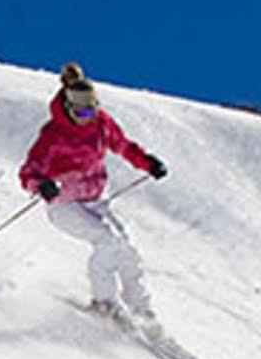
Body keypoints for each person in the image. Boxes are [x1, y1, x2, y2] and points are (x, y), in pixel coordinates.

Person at [18, 62, 169, 322]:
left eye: (91, 110)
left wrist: (148, 162)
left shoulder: (101, 124)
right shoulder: (53, 134)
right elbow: (28, 172)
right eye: (81, 112)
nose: (87, 117)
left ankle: (140, 307)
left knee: (127, 249)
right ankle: (104, 302)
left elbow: (124, 146)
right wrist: (42, 185)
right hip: (63, 205)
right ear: (68, 108)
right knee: (107, 241)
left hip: (95, 201)